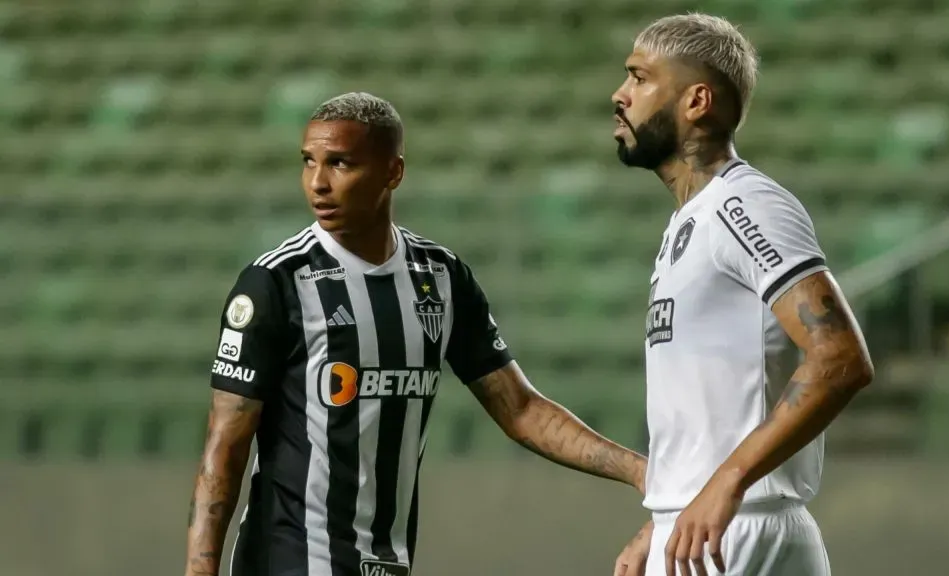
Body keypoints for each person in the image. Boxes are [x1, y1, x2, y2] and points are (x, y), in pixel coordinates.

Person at [184, 92, 647, 576]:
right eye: (309, 162)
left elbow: (522, 410)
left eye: (340, 164)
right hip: (290, 561)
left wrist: (638, 469)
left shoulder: (440, 277)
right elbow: (225, 445)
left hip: (388, 563)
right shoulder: (277, 281)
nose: (318, 183)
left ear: (393, 173)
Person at [608, 14, 874, 576]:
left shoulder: (744, 205)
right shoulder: (692, 220)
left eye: (639, 77)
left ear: (696, 101)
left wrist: (725, 484)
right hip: (703, 527)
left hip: (735, 533)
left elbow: (840, 357)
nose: (620, 95)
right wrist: (664, 517)